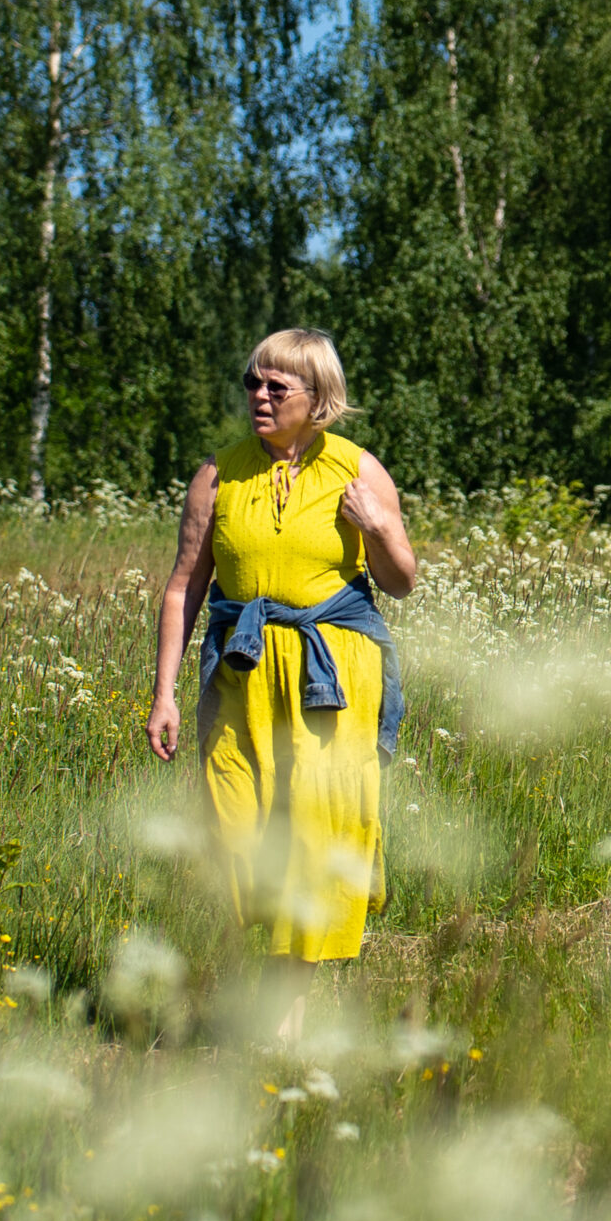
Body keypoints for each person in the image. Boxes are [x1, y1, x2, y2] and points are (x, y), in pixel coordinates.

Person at [144, 329, 416, 1020]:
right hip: (244, 665)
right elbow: (183, 587)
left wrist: (377, 527)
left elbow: (401, 580)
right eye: (252, 383)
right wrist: (164, 694)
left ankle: (286, 1013)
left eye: (276, 386)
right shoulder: (218, 473)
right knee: (238, 826)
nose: (258, 396)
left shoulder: (358, 469)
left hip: (333, 673)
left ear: (318, 397)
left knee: (313, 831)